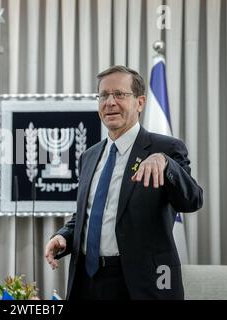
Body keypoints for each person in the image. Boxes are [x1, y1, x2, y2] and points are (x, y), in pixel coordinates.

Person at [45, 66, 203, 300]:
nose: (110, 102)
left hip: (141, 283)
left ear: (140, 102)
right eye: (103, 95)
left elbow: (192, 201)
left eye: (119, 94)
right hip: (86, 280)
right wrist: (64, 237)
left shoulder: (166, 149)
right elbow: (87, 215)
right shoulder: (88, 156)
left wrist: (166, 164)